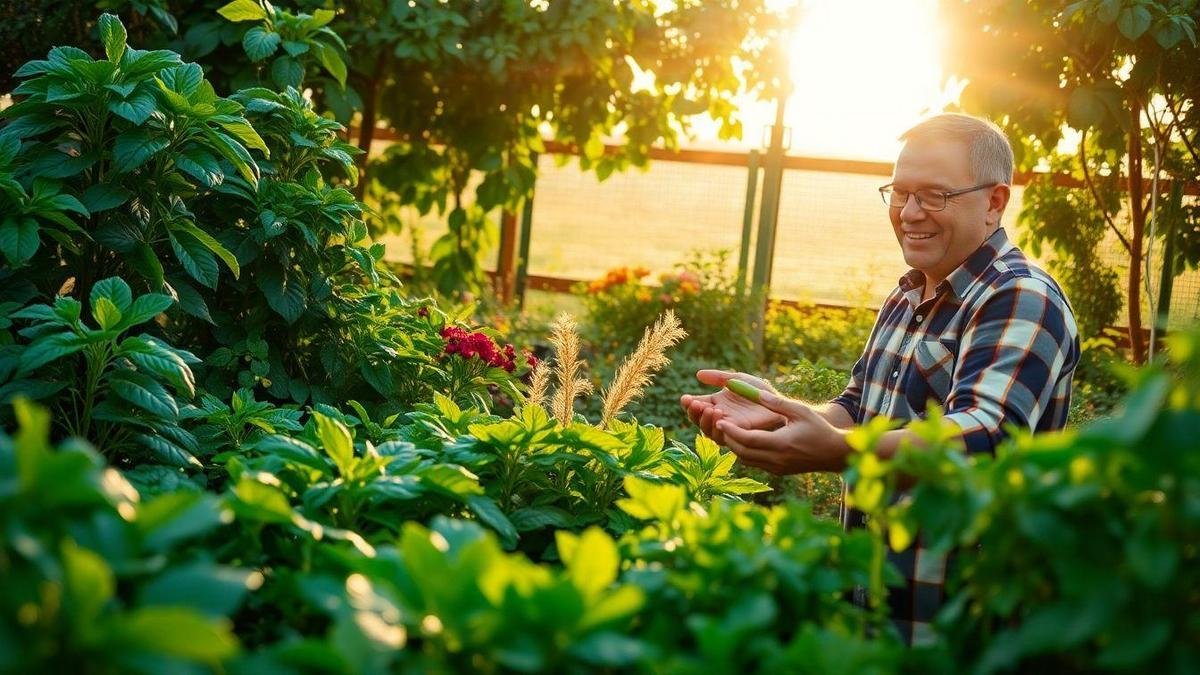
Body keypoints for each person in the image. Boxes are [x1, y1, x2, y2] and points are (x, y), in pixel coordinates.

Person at [680, 112, 1080, 645]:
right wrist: (779, 413)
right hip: (877, 616)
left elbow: (987, 435)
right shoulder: (907, 296)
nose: (909, 213)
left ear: (995, 202)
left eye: (934, 195)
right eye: (900, 192)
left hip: (964, 632)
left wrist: (843, 453)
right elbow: (855, 409)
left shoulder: (1019, 296)